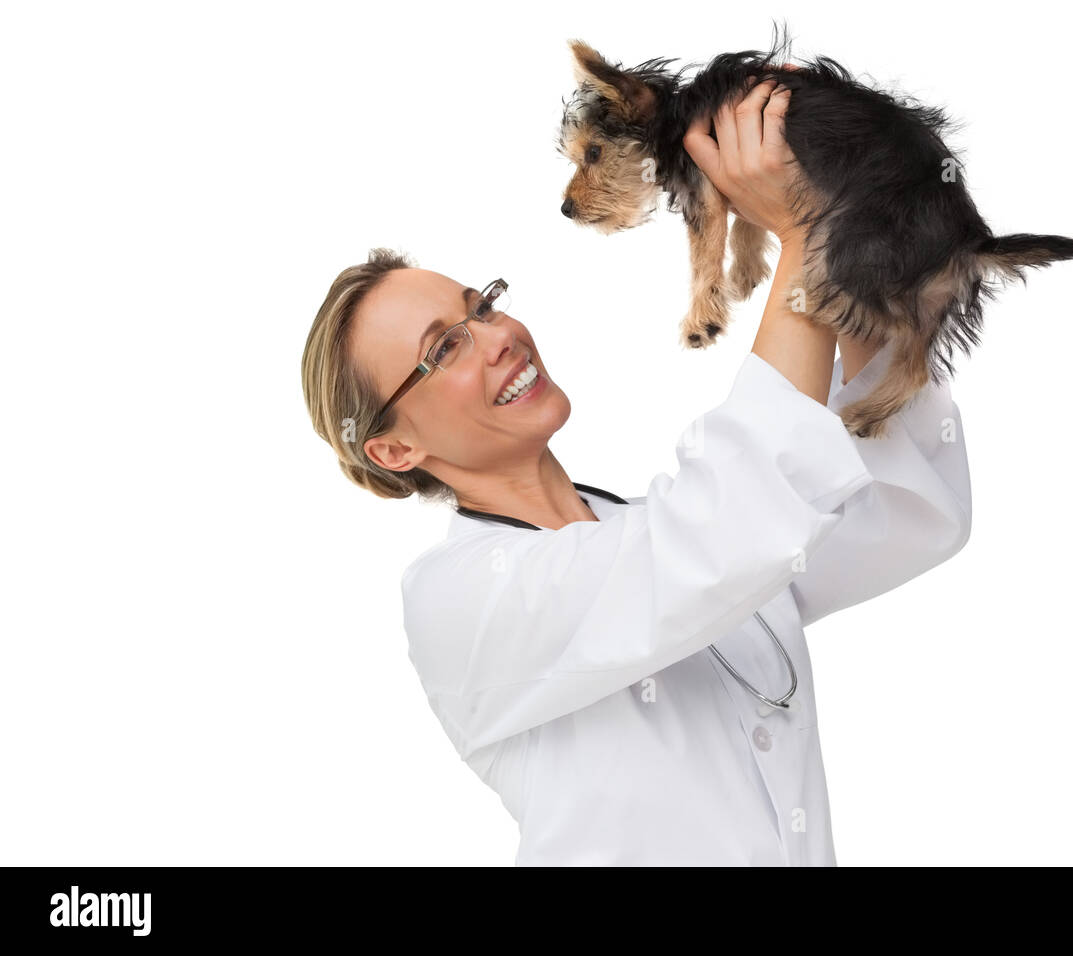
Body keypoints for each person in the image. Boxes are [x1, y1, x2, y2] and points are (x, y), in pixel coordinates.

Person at [300, 78, 972, 865]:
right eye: (444, 348)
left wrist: (856, 241)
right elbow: (722, 529)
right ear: (392, 449)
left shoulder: (645, 532)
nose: (496, 336)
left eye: (479, 306)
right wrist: (808, 237)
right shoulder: (456, 598)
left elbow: (903, 518)